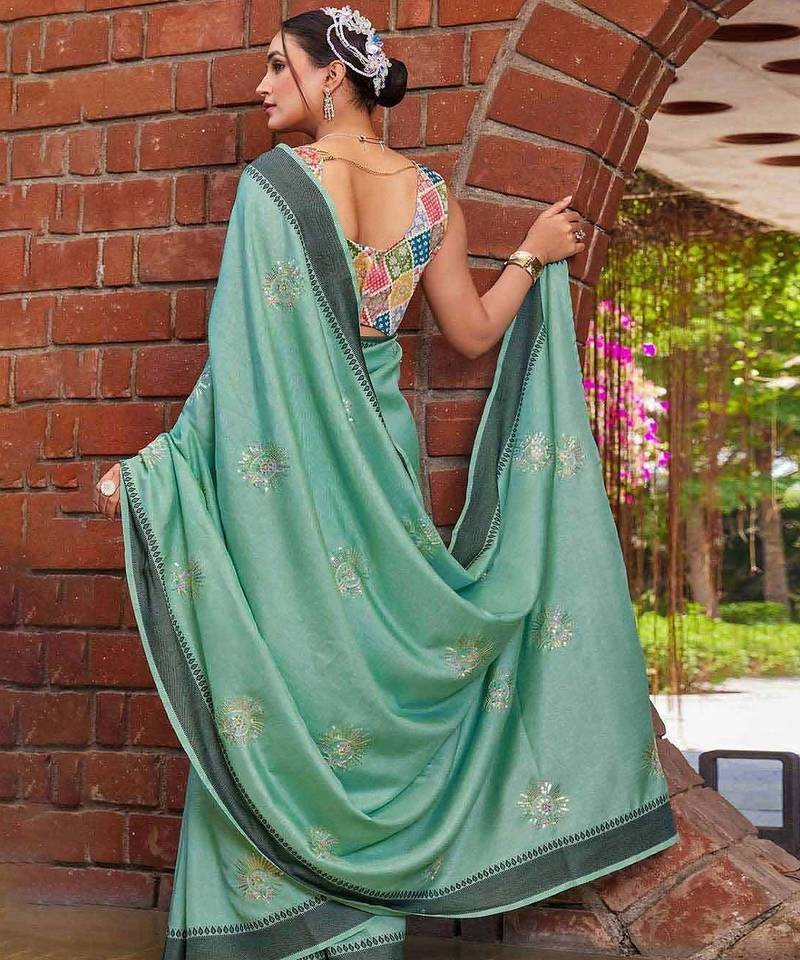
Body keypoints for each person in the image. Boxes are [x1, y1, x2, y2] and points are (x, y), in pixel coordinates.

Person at [94, 6, 678, 959]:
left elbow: (240, 366)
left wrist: (155, 469)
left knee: (280, 682)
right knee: (366, 683)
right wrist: (530, 255)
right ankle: (370, 915)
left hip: (287, 484)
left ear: (332, 76)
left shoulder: (275, 188)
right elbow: (473, 333)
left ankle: (285, 925)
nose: (261, 87)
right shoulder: (430, 196)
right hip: (383, 476)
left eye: (277, 67)